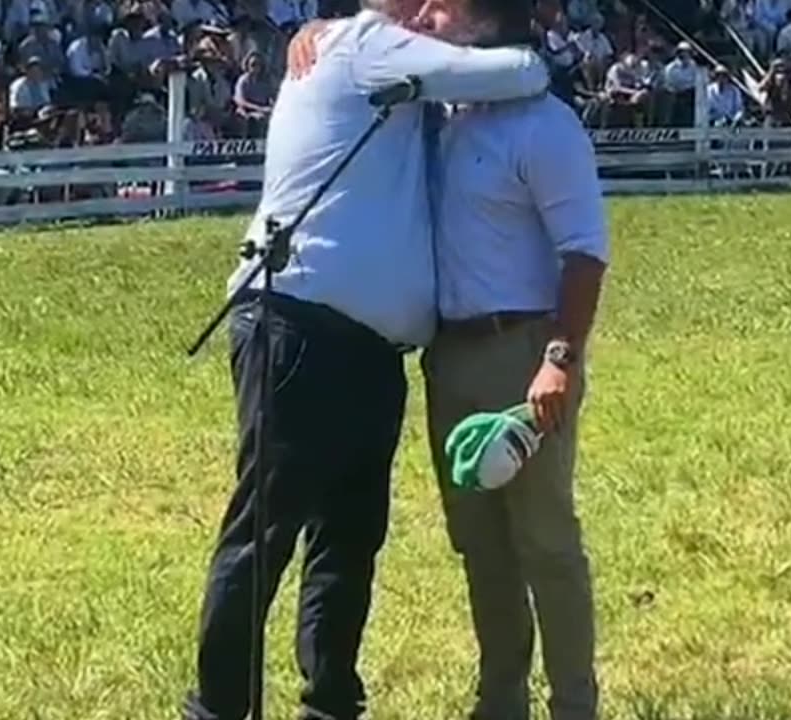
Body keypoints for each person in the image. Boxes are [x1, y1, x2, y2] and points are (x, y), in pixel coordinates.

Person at [183, 1, 551, 719]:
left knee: (344, 537)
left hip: (354, 344)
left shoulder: (371, 58)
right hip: (305, 325)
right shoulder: (372, 47)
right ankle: (222, 707)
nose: (436, 19)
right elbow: (519, 70)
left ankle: (329, 699)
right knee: (271, 529)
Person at [411, 3, 609, 720]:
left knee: (545, 539)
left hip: (524, 350)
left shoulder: (544, 124)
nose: (427, 16)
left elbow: (584, 252)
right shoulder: (441, 120)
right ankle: (500, 701)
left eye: (444, 5)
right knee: (481, 543)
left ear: (486, 18)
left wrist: (559, 358)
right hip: (450, 355)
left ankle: (573, 704)